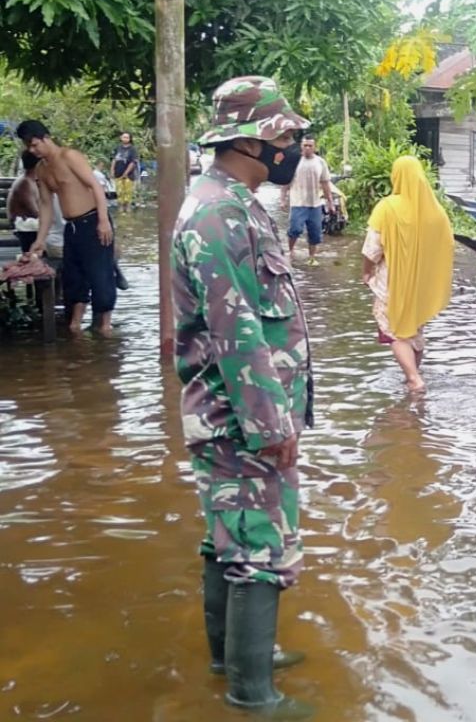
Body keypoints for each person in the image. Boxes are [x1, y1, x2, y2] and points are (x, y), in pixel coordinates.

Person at [171, 76, 314, 716]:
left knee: (227, 537)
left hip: (235, 412)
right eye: (286, 136)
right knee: (259, 547)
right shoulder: (218, 212)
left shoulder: (232, 199)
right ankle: (253, 697)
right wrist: (271, 424)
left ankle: (232, 659)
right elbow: (235, 328)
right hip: (241, 418)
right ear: (253, 141)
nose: (294, 146)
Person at [361, 155, 454, 392]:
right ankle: (414, 374)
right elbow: (447, 246)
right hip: (423, 283)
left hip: (393, 281)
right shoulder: (436, 211)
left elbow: (372, 248)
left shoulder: (387, 207)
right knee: (414, 329)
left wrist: (366, 273)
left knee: (395, 331)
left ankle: (413, 378)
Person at [18, 120, 117, 335]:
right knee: (74, 278)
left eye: (35, 145)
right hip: (71, 227)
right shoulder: (42, 169)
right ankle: (75, 325)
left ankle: (105, 326)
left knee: (101, 277)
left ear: (45, 138)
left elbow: (95, 186)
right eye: (29, 147)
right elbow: (45, 206)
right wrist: (40, 240)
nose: (33, 150)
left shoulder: (69, 156)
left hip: (93, 222)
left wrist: (103, 220)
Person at [285, 134, 334, 266]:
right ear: (301, 146)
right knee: (295, 229)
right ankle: (290, 251)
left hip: (315, 204)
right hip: (297, 202)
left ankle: (312, 257)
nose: (307, 148)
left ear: (314, 147)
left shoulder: (320, 162)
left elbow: (325, 183)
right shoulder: (294, 161)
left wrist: (330, 202)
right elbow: (285, 181)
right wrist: (283, 199)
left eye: (310, 146)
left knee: (315, 234)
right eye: (305, 145)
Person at [8, 151, 41, 253]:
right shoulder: (24, 183)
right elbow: (35, 212)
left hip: (33, 227)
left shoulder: (33, 181)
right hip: (26, 231)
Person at [111, 131, 138, 212]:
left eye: (127, 137)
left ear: (130, 139)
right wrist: (112, 170)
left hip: (128, 175)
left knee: (128, 193)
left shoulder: (133, 149)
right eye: (124, 137)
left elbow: (133, 162)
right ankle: (120, 209)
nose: (125, 139)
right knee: (119, 193)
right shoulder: (117, 148)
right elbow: (114, 160)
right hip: (118, 173)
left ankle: (128, 209)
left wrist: (126, 173)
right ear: (121, 138)